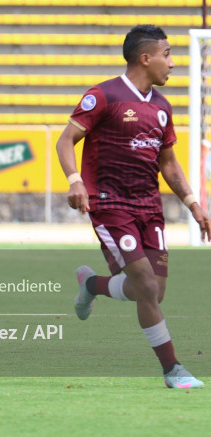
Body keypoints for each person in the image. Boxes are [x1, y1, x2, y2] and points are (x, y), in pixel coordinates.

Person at [56, 24, 211, 389]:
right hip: (110, 204)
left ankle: (91, 284)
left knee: (154, 291)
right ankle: (173, 369)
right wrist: (75, 180)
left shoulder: (161, 107)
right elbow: (66, 141)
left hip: (149, 206)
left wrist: (194, 204)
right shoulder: (103, 95)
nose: (172, 63)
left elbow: (169, 164)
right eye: (167, 54)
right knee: (143, 282)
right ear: (146, 57)